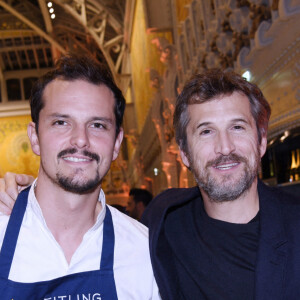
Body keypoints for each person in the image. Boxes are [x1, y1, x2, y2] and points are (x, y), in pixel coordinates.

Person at [2, 69, 300, 299]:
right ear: (183, 152)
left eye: (237, 127)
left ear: (261, 141)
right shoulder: (165, 225)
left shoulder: (141, 244)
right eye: (206, 131)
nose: (224, 147)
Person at [0, 54, 159, 299]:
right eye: (61, 122)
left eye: (97, 125)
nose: (81, 140)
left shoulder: (144, 252)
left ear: (116, 143)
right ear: (34, 137)